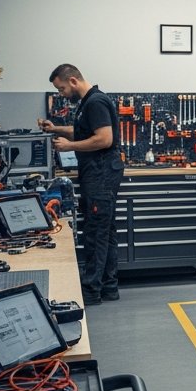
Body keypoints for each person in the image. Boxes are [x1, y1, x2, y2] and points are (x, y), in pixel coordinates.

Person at [38, 64, 123, 305]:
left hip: (101, 174)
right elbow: (82, 132)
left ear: (73, 81)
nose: (61, 93)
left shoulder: (95, 102)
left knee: (96, 232)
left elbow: (104, 139)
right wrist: (55, 129)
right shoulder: (86, 104)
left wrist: (69, 146)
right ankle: (109, 287)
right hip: (97, 174)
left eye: (62, 88)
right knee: (106, 230)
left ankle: (91, 291)